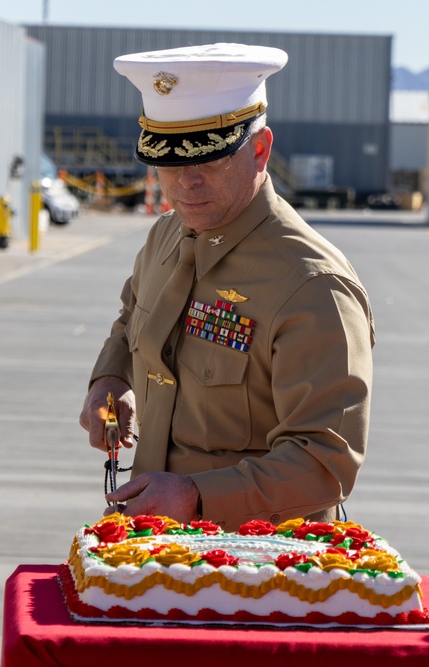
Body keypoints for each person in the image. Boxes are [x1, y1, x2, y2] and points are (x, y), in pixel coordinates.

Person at [78, 43, 375, 531]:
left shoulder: (313, 284)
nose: (185, 184)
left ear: (260, 150)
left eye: (207, 161)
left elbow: (325, 462)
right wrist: (110, 379)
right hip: (150, 542)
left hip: (259, 571)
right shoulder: (168, 235)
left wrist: (196, 497)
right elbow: (133, 315)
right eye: (167, 162)